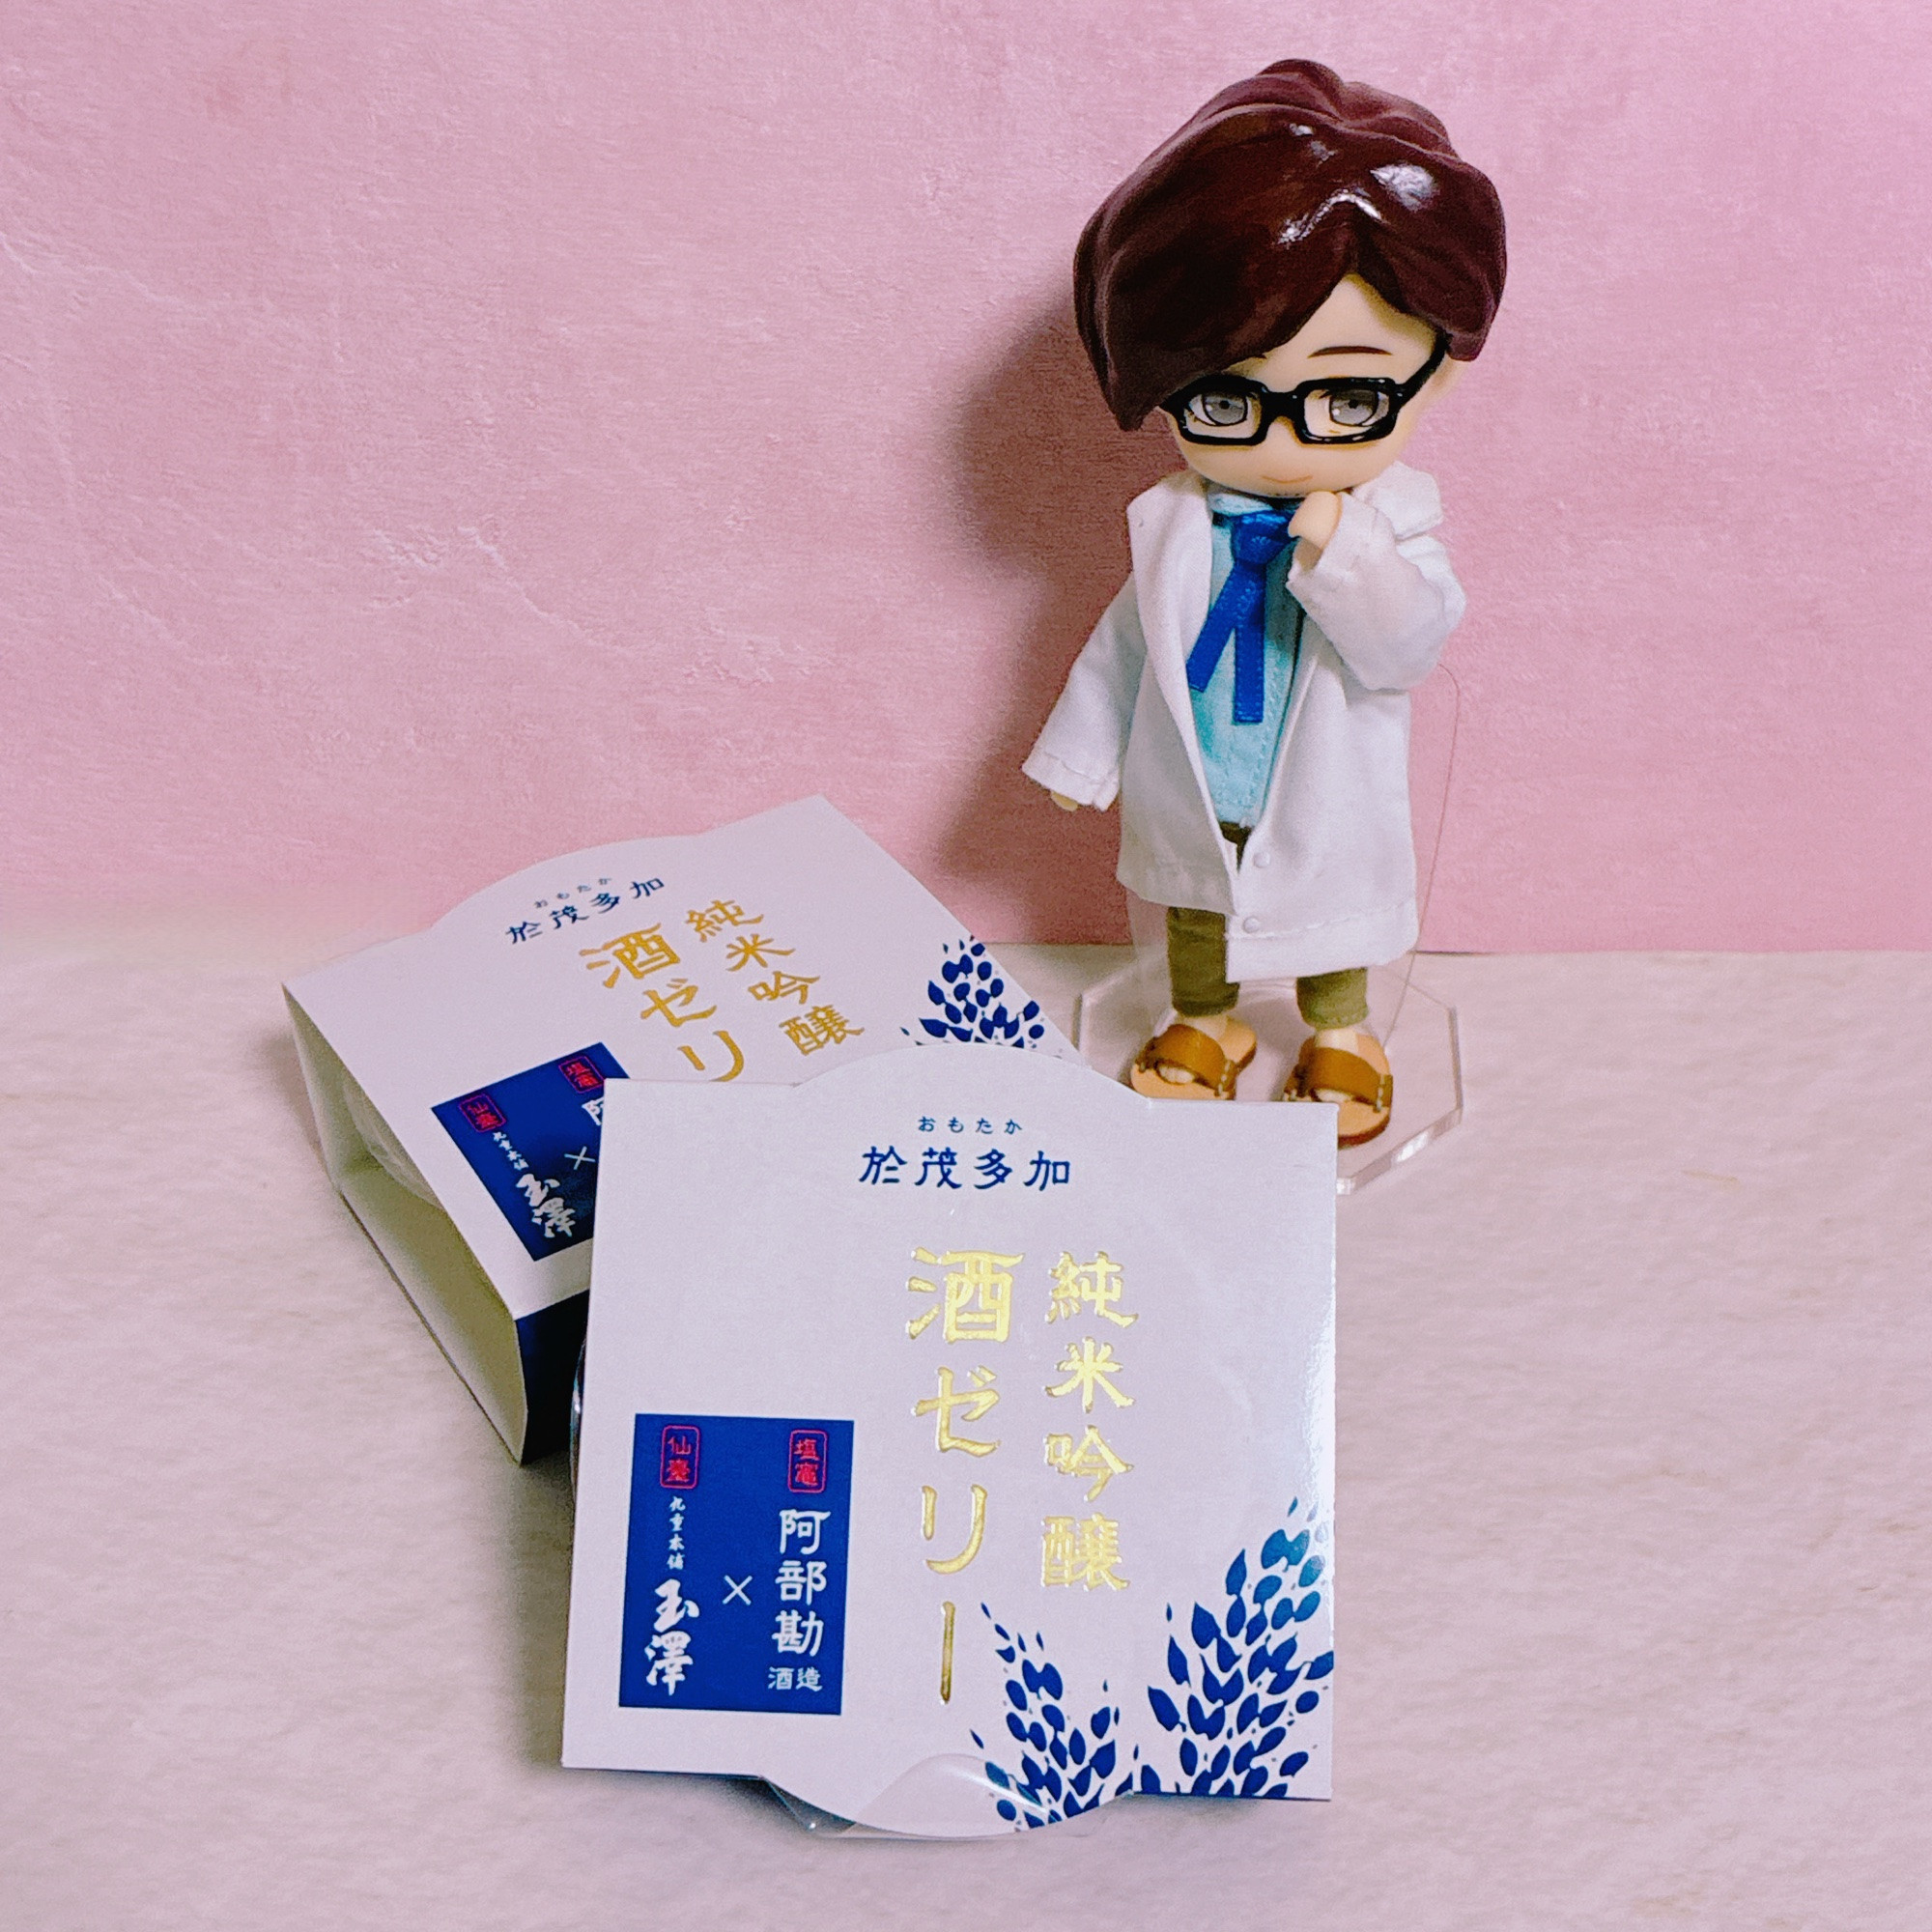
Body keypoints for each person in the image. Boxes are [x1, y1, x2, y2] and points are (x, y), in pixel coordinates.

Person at [1024, 60, 1506, 1142]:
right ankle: (1206, 1022)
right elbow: (1125, 649)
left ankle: (1341, 1034)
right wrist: (1079, 761)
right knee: (1198, 907)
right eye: (1224, 400)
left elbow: (1406, 647)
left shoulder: (1394, 527)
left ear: (1435, 374)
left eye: (1348, 395)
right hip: (1200, 769)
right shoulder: (1172, 527)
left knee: (1332, 911)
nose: (1284, 441)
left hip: (1325, 780)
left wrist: (1345, 554)